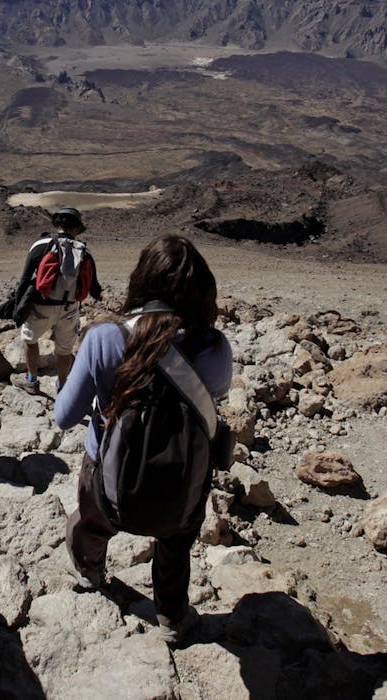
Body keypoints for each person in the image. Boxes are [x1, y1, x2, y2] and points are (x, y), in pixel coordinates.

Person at [53, 234, 233, 646]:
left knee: (91, 522)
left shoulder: (104, 338)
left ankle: (91, 569)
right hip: (185, 474)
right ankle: (172, 617)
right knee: (175, 547)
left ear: (140, 282)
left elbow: (63, 416)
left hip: (106, 471)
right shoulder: (214, 347)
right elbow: (216, 395)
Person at [6, 207, 103, 396]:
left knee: (30, 340)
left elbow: (25, 278)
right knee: (64, 351)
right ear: (77, 229)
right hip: (70, 308)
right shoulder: (85, 252)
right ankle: (62, 385)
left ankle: (32, 380)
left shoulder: (41, 245)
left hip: (42, 306)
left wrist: (18, 306)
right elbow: (94, 288)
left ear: (57, 224)